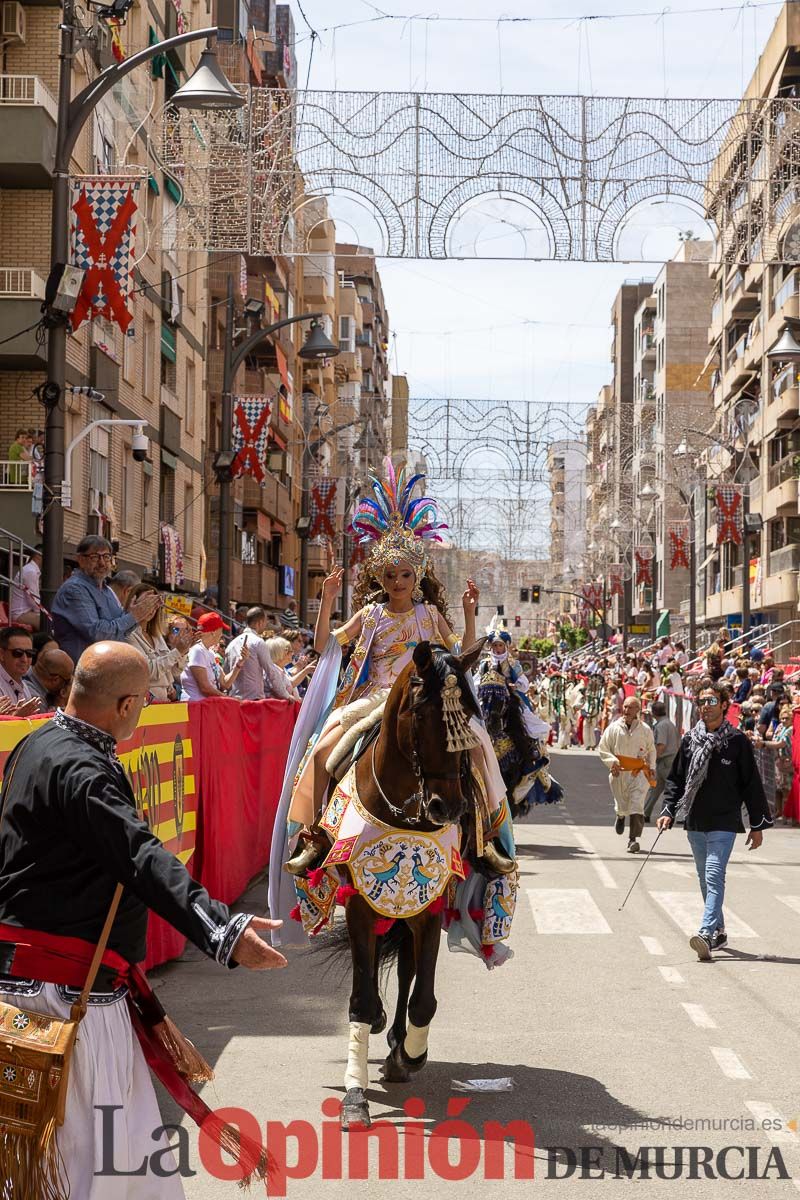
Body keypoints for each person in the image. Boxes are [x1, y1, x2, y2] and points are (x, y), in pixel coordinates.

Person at [0, 641, 285, 1197]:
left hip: (35, 983)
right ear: (128, 705)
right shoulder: (83, 771)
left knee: (71, 1152)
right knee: (88, 1157)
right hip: (65, 998)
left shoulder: (37, 742)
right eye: (148, 698)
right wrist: (223, 931)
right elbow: (142, 858)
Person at [272, 457, 513, 894]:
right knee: (323, 751)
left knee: (478, 750)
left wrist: (469, 614)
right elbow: (327, 645)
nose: (398, 581)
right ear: (379, 577)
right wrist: (326, 600)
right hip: (375, 698)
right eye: (389, 574)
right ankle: (315, 836)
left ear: (416, 574)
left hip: (429, 699)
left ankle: (484, 838)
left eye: (405, 574)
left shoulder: (430, 614)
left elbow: (460, 653)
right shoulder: (370, 614)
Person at [658, 678, 773, 961]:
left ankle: (706, 933)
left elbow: (751, 785)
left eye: (712, 702)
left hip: (724, 822)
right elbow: (676, 780)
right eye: (701, 702)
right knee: (703, 878)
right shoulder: (689, 741)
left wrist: (757, 825)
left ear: (724, 706)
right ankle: (720, 930)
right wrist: (667, 810)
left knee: (713, 874)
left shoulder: (736, 743)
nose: (706, 707)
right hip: (695, 821)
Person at [52, 536, 159, 663]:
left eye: (106, 557)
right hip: (82, 670)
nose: (102, 563)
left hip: (105, 668)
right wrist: (134, 615)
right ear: (80, 560)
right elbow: (97, 634)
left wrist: (139, 611)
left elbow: (120, 631)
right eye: (95, 557)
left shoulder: (106, 590)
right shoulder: (74, 589)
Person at [597, 695, 656, 854]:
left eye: (630, 707)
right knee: (622, 804)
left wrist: (652, 767)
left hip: (638, 774)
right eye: (625, 707)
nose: (626, 710)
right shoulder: (614, 728)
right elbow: (603, 748)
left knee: (637, 804)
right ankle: (620, 815)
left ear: (638, 710)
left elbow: (651, 750)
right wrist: (612, 762)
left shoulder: (645, 729)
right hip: (619, 773)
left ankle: (633, 840)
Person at [126, 583, 193, 702]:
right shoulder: (128, 635)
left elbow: (174, 671)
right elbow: (148, 671)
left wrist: (183, 651)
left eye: (155, 604)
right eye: (146, 602)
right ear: (133, 603)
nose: (151, 608)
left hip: (164, 703)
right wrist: (178, 652)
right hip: (144, 705)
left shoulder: (156, 635)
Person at [180, 611, 247, 699]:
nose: (222, 634)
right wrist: (229, 699)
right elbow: (205, 688)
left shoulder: (210, 652)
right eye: (221, 630)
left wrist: (239, 664)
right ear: (214, 632)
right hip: (195, 707)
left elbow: (225, 684)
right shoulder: (197, 650)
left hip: (205, 706)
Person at [223, 606, 284, 701]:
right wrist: (285, 694)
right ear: (260, 622)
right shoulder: (258, 642)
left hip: (235, 701)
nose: (266, 625)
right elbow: (271, 671)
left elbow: (225, 674)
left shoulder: (231, 644)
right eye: (265, 622)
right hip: (253, 702)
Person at [644, 700, 680, 821]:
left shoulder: (662, 725)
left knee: (673, 789)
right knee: (655, 788)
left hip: (666, 761)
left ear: (654, 713)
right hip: (668, 760)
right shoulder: (669, 723)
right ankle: (645, 813)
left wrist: (652, 761)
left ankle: (680, 815)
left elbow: (661, 745)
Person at [0, 625, 40, 711]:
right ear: (1, 654)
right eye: (18, 653)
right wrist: (15, 718)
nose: (24, 659)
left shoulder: (24, 686)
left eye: (29, 653)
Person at [22, 645, 74, 710]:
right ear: (55, 679)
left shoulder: (22, 671)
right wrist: (61, 702)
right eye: (67, 681)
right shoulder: (35, 701)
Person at [9, 543, 42, 628]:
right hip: (20, 613)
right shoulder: (31, 571)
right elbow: (33, 599)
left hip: (24, 611)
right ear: (38, 555)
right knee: (46, 621)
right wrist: (43, 612)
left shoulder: (30, 569)